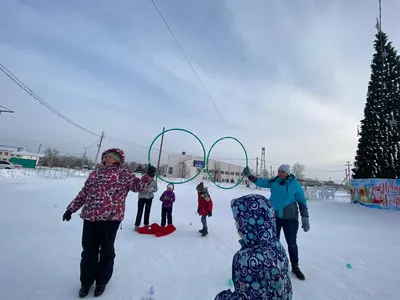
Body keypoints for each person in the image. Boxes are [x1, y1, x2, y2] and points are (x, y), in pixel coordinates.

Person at [62, 148, 156, 298]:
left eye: (113, 156)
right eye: (107, 156)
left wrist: (149, 176)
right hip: (90, 217)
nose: (109, 158)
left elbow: (137, 186)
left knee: (106, 251)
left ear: (119, 160)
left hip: (111, 219)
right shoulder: (95, 173)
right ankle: (86, 282)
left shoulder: (124, 174)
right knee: (88, 252)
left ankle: (101, 282)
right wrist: (71, 209)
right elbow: (84, 192)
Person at [214, 194, 292, 299]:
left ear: (249, 223)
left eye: (239, 222)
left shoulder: (249, 259)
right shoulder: (276, 246)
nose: (237, 226)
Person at [242, 164, 310, 280]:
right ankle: (274, 264)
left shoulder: (294, 185)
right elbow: (260, 182)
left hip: (290, 219)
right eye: (279, 171)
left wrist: (305, 218)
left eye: (283, 171)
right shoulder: (274, 182)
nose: (280, 173)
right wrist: (249, 175)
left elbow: (302, 201)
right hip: (274, 217)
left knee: (292, 243)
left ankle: (295, 266)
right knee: (273, 243)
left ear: (288, 173)